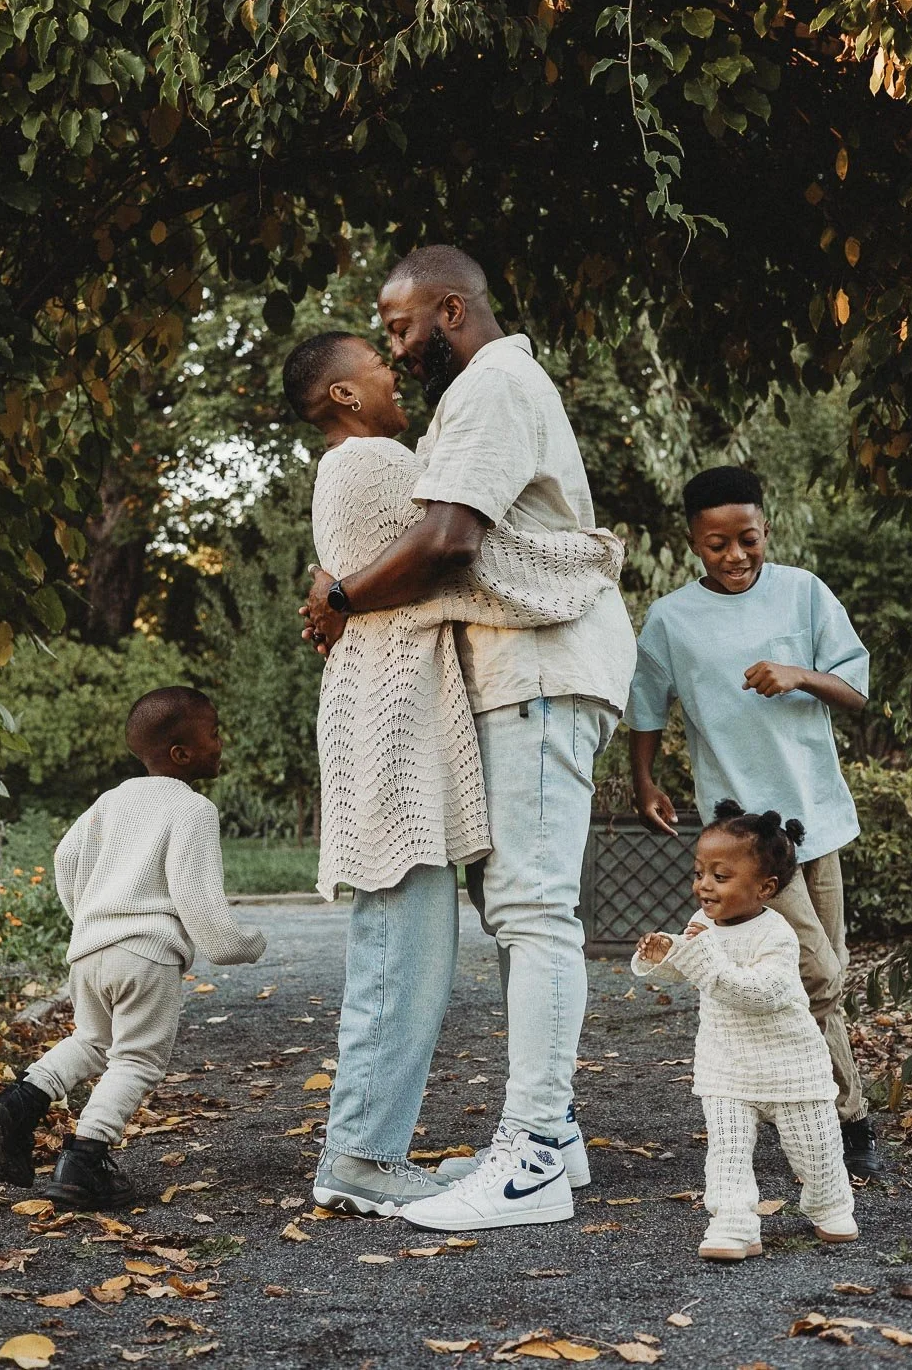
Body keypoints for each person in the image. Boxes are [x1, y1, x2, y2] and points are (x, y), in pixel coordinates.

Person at [302, 247, 637, 1232]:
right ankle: (558, 1137)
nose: (395, 351)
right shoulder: (473, 396)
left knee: (533, 913)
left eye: (400, 327)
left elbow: (448, 538)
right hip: (518, 670)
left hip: (539, 668)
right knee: (520, 914)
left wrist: (341, 596)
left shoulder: (493, 386)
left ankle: (530, 1153)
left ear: (451, 308)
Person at [625, 465, 878, 1180]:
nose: (735, 556)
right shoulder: (672, 619)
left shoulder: (804, 592)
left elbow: (855, 689)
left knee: (821, 976)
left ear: (766, 530)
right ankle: (843, 1119)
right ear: (692, 544)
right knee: (816, 977)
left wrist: (799, 674)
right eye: (716, 545)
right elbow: (647, 706)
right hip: (745, 836)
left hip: (817, 818)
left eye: (748, 539)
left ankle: (804, 1107)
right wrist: (645, 781)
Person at [0, 687, 266, 1208]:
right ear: (182, 754)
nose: (222, 743)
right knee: (136, 1060)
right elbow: (198, 901)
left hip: (90, 948)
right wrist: (244, 943)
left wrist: (89, 920)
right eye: (214, 734)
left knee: (92, 1040)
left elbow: (65, 860)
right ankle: (84, 1161)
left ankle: (19, 1104)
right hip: (146, 953)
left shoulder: (110, 801)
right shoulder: (193, 808)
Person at [632, 800, 858, 1261]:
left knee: (815, 1149)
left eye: (720, 876)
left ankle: (829, 1202)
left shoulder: (776, 934)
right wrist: (666, 954)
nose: (704, 886)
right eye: (699, 873)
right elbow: (696, 965)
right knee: (727, 1155)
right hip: (728, 1067)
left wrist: (702, 959)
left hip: (790, 1066)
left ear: (764, 888)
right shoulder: (701, 925)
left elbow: (761, 994)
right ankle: (733, 1222)